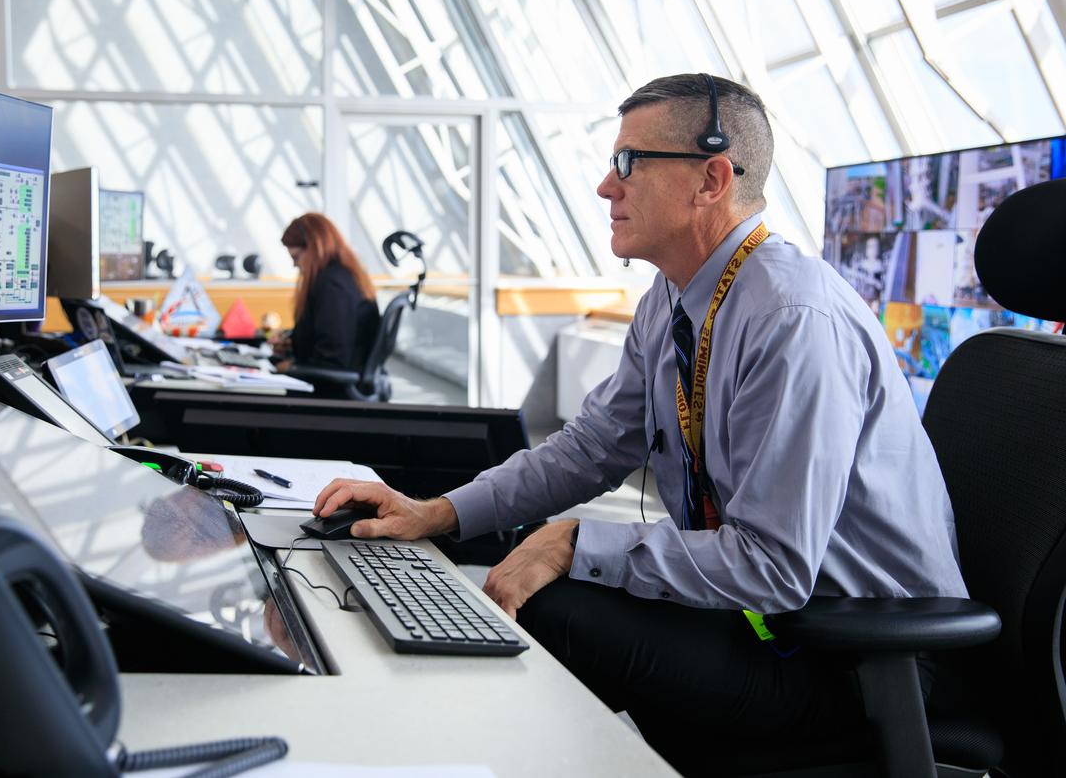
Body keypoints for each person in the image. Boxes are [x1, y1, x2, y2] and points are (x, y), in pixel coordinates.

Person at [311, 74, 968, 772]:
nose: (605, 185)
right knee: (554, 572)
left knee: (557, 599)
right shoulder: (674, 301)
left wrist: (576, 540)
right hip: (771, 624)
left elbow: (775, 566)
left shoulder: (792, 319)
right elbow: (590, 446)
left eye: (629, 161)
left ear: (711, 179)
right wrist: (436, 513)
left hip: (863, 661)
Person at [274, 214, 380, 391]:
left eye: (296, 257)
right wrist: (293, 342)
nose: (294, 265)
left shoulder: (332, 286)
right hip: (342, 385)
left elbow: (332, 360)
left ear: (315, 248)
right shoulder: (342, 277)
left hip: (331, 392)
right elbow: (329, 336)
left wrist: (290, 368)